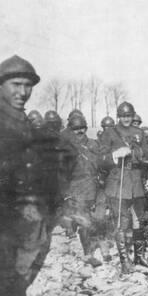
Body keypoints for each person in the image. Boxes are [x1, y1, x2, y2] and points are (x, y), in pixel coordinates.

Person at [0, 55, 60, 296]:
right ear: (0, 85)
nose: (23, 92)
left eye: (28, 86)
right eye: (16, 84)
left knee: (12, 293)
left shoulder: (23, 122)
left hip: (23, 223)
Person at [99, 102, 148, 273]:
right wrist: (114, 155)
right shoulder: (110, 133)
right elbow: (100, 158)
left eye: (129, 116)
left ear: (133, 116)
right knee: (121, 223)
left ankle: (139, 257)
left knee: (139, 220)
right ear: (118, 116)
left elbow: (147, 157)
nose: (126, 119)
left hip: (136, 181)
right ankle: (125, 261)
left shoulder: (139, 133)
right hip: (118, 181)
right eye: (123, 116)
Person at [60, 114, 105, 267]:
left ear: (86, 129)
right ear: (71, 130)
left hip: (94, 186)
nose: (79, 131)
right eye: (75, 129)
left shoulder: (94, 144)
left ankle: (96, 246)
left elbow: (102, 164)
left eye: (81, 128)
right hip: (76, 188)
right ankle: (88, 254)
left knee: (98, 218)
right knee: (84, 220)